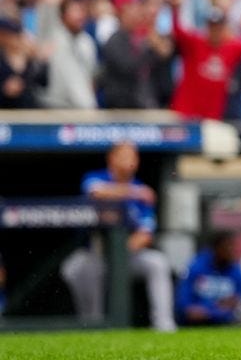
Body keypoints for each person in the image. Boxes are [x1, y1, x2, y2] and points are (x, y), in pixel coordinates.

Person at [60, 142, 176, 331]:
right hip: (96, 254)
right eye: (124, 156)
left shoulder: (141, 190)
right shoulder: (97, 178)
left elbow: (145, 233)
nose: (130, 161)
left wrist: (121, 253)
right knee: (74, 269)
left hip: (128, 255)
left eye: (133, 157)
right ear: (112, 158)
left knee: (157, 262)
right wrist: (134, 193)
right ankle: (92, 324)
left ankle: (164, 324)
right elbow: (95, 192)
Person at [176, 231, 241, 326]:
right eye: (228, 246)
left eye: (233, 247)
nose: (232, 250)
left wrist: (209, 312)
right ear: (216, 248)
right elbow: (183, 302)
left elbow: (237, 303)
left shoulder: (237, 270)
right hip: (195, 322)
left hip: (224, 323)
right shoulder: (196, 266)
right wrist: (211, 309)